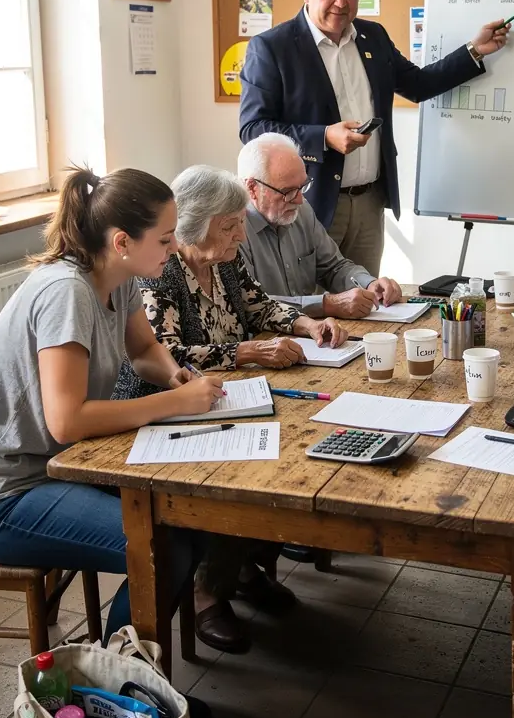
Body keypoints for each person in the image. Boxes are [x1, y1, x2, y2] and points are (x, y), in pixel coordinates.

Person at [0, 166, 223, 642]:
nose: (174, 248)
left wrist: (173, 374)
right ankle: (114, 694)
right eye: (166, 238)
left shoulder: (120, 276)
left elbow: (144, 350)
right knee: (160, 547)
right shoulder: (65, 292)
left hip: (55, 466)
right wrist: (173, 402)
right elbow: (67, 421)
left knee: (188, 519)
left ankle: (135, 681)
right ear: (122, 241)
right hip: (2, 494)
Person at [115, 165, 347, 653]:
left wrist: (306, 323)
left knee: (286, 453)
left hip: (233, 394)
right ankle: (208, 592)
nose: (241, 234)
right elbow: (168, 355)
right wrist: (246, 353)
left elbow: (260, 306)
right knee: (234, 472)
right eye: (230, 225)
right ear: (194, 226)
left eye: (240, 223)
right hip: (167, 407)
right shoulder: (163, 273)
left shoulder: (226, 259)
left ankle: (243, 566)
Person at [238, 0, 509, 274]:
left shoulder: (373, 36)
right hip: (311, 202)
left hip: (370, 203)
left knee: (368, 301)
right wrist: (324, 137)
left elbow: (419, 85)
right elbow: (253, 129)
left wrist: (474, 50)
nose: (341, 2)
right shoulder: (272, 48)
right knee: (317, 308)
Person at [238, 133, 401, 319]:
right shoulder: (233, 229)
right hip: (263, 341)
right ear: (252, 188)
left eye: (303, 186)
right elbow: (251, 305)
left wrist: (369, 284)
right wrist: (325, 305)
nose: (299, 199)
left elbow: (334, 267)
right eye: (288, 191)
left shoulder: (302, 210)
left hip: (313, 334)